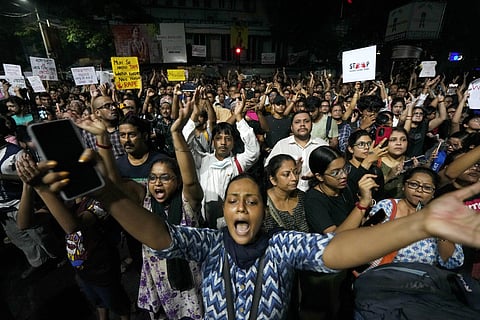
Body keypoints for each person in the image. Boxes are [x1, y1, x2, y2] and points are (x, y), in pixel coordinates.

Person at [27, 154, 480, 319]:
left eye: (252, 201)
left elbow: (339, 250)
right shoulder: (208, 242)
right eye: (233, 201)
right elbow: (159, 236)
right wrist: (106, 192)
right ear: (224, 210)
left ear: (263, 213)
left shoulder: (283, 245)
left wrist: (419, 223)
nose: (242, 206)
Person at [16, 152, 131, 320]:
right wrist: (27, 186)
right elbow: (24, 223)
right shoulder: (65, 201)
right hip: (81, 268)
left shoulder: (99, 201)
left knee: (118, 304)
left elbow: (72, 226)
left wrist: (40, 187)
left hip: (103, 267)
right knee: (97, 300)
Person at [360, 167, 464, 274]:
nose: (419, 190)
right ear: (404, 186)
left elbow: (452, 262)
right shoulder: (386, 206)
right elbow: (364, 242)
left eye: (427, 188)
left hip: (419, 283)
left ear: (433, 193)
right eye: (414, 184)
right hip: (381, 276)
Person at [265, 111, 328, 192]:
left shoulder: (322, 145)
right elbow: (268, 168)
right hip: (290, 194)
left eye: (306, 121)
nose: (302, 124)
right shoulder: (282, 145)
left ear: (312, 125)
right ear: (291, 127)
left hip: (318, 192)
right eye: (297, 122)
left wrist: (318, 173)